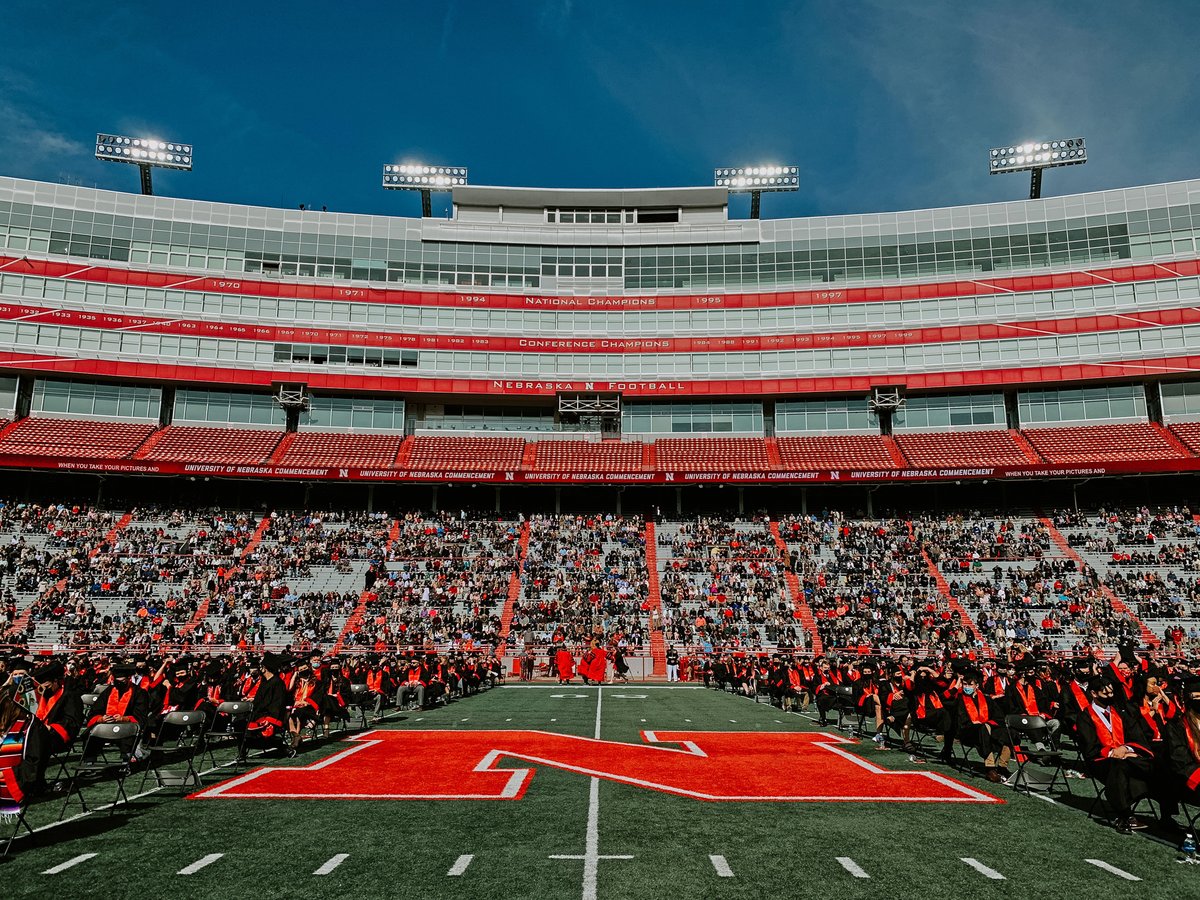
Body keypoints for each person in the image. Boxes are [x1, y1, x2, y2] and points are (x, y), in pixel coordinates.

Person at [1076, 675, 1154, 834]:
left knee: (1156, 762)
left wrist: (1127, 749)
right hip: (1100, 761)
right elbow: (1090, 746)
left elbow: (1136, 735)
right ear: (1094, 693)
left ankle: (1167, 815)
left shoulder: (1121, 712)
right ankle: (1125, 814)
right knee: (1119, 766)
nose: (1110, 697)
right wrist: (1113, 752)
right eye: (1106, 694)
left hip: (1126, 756)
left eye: (1112, 693)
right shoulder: (1085, 716)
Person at [18, 660, 82, 796]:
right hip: (37, 735)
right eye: (41, 686)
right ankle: (19, 781)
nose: (43, 689)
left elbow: (72, 723)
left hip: (56, 737)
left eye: (46, 686)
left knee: (34, 743)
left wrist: (49, 728)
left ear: (56, 682)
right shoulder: (40, 696)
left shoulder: (70, 696)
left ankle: (31, 783)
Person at [240, 652, 290, 761]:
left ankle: (278, 744)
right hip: (258, 713)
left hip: (270, 716)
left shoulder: (278, 683)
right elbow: (258, 701)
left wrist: (268, 719)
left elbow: (277, 704)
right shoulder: (264, 682)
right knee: (239, 724)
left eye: (261, 666)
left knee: (251, 732)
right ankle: (242, 752)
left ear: (265, 668)